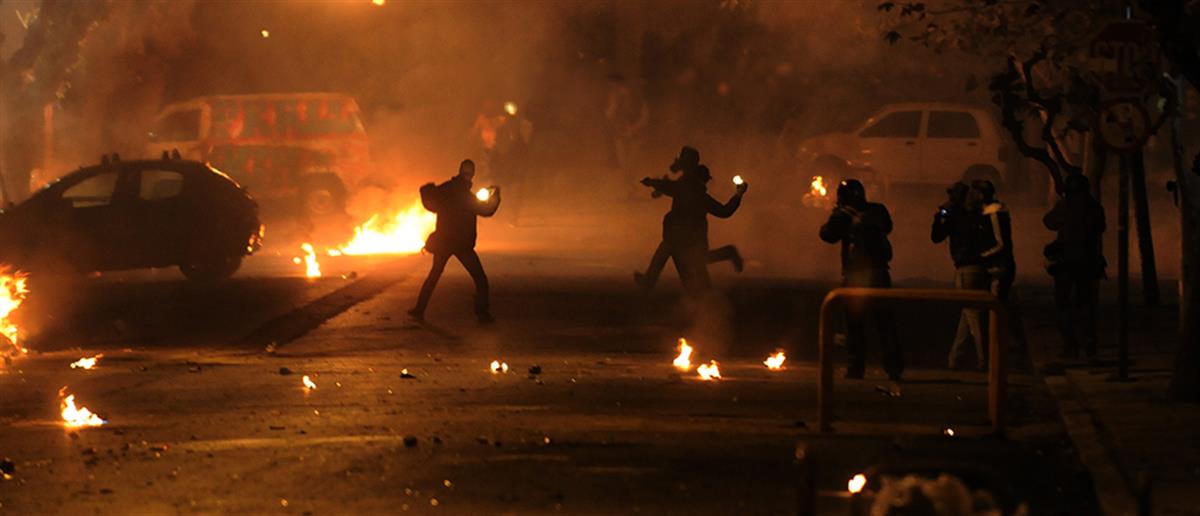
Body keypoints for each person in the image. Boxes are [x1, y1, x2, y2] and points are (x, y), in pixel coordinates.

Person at [819, 179, 901, 380]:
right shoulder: (875, 210)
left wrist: (842, 216)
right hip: (876, 273)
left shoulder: (851, 214)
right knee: (881, 323)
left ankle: (858, 367)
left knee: (858, 324)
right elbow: (887, 227)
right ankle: (891, 368)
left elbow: (827, 235)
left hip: (859, 275)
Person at [634, 147, 745, 289]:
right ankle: (650, 282)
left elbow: (668, 186)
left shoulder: (686, 188)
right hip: (686, 236)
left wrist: (652, 183)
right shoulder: (698, 194)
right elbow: (724, 211)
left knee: (689, 259)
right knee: (694, 261)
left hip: (683, 236)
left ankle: (650, 282)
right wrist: (738, 194)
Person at [408, 159, 500, 324]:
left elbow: (430, 200)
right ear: (471, 175)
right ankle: (482, 313)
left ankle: (419, 310)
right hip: (462, 245)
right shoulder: (469, 198)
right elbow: (487, 210)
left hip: (444, 242)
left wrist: (427, 188)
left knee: (434, 275)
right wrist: (496, 197)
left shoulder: (446, 189)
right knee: (480, 278)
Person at [1043, 174, 1106, 359]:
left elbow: (1048, 221)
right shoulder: (1094, 207)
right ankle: (1089, 341)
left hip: (1065, 262)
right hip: (1088, 261)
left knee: (1063, 304)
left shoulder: (1065, 205)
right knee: (1086, 302)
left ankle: (1070, 345)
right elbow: (1101, 228)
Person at [932, 182, 988, 370]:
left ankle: (985, 359)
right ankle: (954, 358)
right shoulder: (978, 214)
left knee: (973, 315)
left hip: (966, 268)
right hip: (981, 267)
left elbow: (936, 236)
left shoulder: (954, 214)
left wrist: (942, 213)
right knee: (968, 314)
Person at [971, 179, 1028, 351]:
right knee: (998, 307)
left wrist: (982, 255)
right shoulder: (991, 212)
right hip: (997, 266)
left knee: (997, 307)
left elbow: (1001, 243)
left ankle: (1001, 344)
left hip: (999, 267)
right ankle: (1001, 342)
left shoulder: (994, 213)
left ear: (981, 195)